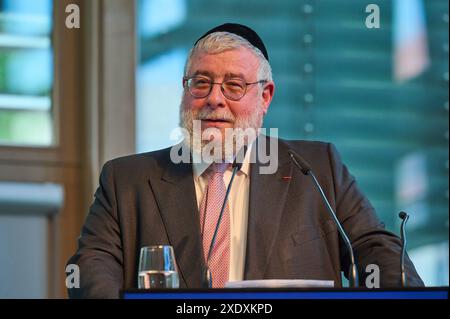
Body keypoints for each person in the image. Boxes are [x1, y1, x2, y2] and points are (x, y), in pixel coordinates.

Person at [67, 23, 423, 298]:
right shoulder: (127, 180)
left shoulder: (317, 168)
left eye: (234, 85)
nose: (214, 100)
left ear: (265, 96)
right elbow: (91, 269)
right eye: (201, 83)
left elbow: (377, 251)